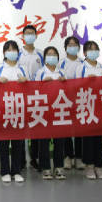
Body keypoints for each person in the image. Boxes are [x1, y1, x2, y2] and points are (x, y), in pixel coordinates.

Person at [0, 40, 28, 183]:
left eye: (14, 49)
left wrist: (25, 82)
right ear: (4, 52)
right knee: (4, 143)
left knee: (18, 143)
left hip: (19, 109)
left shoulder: (22, 68)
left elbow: (32, 89)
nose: (12, 52)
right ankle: (5, 171)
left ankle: (16, 171)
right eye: (8, 49)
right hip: (3, 110)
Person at [76, 40, 102, 180]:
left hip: (101, 106)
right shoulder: (81, 67)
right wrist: (86, 81)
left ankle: (99, 166)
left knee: (101, 138)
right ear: (84, 53)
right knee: (88, 138)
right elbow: (75, 86)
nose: (93, 51)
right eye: (90, 49)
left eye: (95, 49)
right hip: (87, 105)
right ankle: (89, 166)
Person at [33, 46, 66, 180]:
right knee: (44, 141)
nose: (52, 56)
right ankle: (45, 167)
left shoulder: (62, 72)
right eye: (49, 54)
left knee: (59, 140)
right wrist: (42, 83)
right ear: (45, 57)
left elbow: (69, 90)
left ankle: (59, 167)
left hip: (59, 109)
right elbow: (34, 90)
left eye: (54, 54)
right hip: (44, 110)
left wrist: (64, 83)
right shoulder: (40, 72)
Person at [59, 36, 85, 170]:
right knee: (66, 129)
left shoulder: (83, 62)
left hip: (81, 99)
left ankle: (79, 157)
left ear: (79, 47)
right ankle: (68, 156)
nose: (72, 47)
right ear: (65, 48)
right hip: (65, 100)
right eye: (70, 45)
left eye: (75, 45)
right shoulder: (61, 63)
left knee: (79, 129)